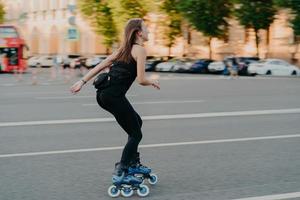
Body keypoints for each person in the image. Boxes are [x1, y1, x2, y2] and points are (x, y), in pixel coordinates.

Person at [70, 18, 160, 183]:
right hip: (113, 96)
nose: (148, 31)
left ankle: (133, 162)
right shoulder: (140, 50)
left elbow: (101, 65)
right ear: (139, 33)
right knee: (136, 134)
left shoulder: (124, 49)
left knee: (137, 122)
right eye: (146, 29)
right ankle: (123, 169)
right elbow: (141, 79)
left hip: (103, 94)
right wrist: (151, 81)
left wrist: (82, 81)